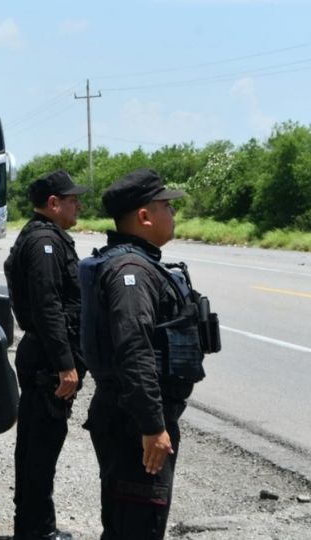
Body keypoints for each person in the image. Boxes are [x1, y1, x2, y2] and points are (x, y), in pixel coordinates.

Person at [80, 169, 218, 540]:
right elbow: (133, 348)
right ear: (144, 216)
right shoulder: (133, 272)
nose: (173, 215)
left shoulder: (136, 264)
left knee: (128, 520)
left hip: (128, 415)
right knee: (138, 525)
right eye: (166, 207)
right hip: (132, 421)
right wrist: (152, 426)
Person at [4, 170, 89, 540]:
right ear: (53, 203)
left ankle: (34, 526)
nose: (78, 205)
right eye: (72, 199)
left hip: (43, 355)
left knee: (39, 445)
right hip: (47, 359)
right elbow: (48, 306)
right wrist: (65, 364)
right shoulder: (44, 243)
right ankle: (37, 531)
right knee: (40, 448)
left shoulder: (43, 237)